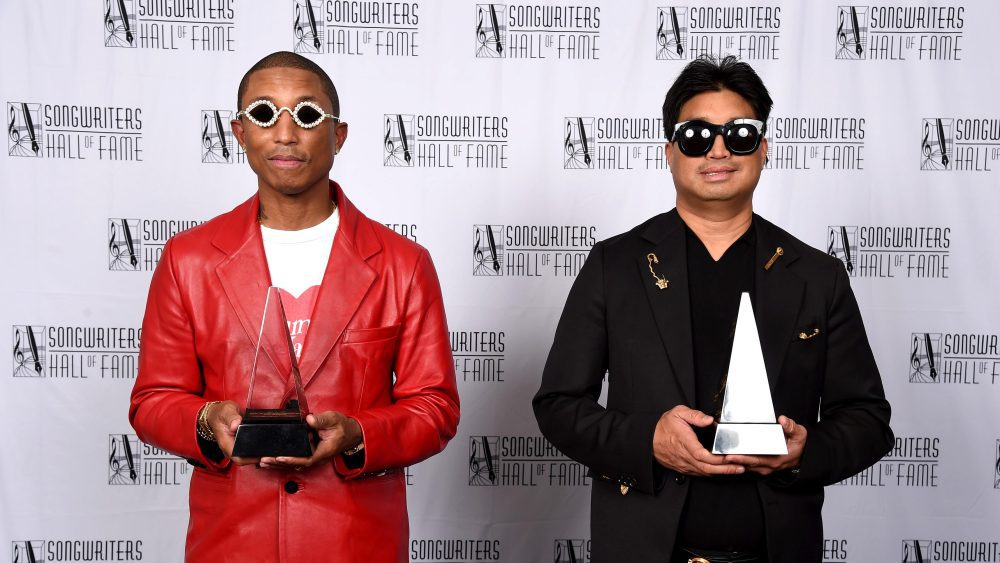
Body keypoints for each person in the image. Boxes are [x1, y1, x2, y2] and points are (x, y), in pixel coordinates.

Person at [532, 56, 892, 563]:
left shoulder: (817, 276)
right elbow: (559, 405)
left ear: (763, 149)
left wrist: (804, 451)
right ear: (671, 152)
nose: (718, 149)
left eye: (739, 134)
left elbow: (868, 420)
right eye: (697, 135)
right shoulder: (616, 265)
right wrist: (647, 440)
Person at [129, 51, 460, 562]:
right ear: (239, 132)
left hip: (355, 544)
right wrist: (206, 419)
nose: (285, 134)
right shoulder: (187, 260)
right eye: (264, 114)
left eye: (306, 115)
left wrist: (357, 435)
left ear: (339, 135)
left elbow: (434, 407)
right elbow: (153, 400)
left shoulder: (403, 264)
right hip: (232, 543)